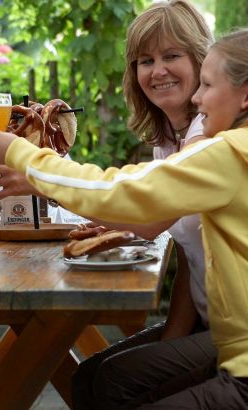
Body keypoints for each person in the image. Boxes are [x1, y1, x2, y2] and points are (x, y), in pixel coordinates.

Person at [0, 27, 248, 409]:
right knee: (102, 380)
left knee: (108, 385)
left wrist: (20, 154)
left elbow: (121, 191)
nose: (197, 97)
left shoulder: (231, 155)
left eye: (207, 86)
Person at [69, 1, 218, 408]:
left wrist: (38, 174)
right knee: (87, 377)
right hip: (213, 324)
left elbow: (149, 218)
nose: (157, 71)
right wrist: (173, 337)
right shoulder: (170, 139)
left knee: (114, 381)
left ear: (202, 61)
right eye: (145, 60)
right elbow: (192, 252)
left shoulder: (212, 134)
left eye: (172, 56)